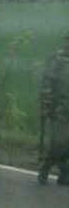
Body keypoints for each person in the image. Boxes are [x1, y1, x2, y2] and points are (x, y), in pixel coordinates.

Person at [37, 32, 69, 185]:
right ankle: (46, 166)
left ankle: (65, 171)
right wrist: (45, 104)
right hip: (60, 108)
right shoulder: (57, 59)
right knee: (58, 142)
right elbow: (48, 83)